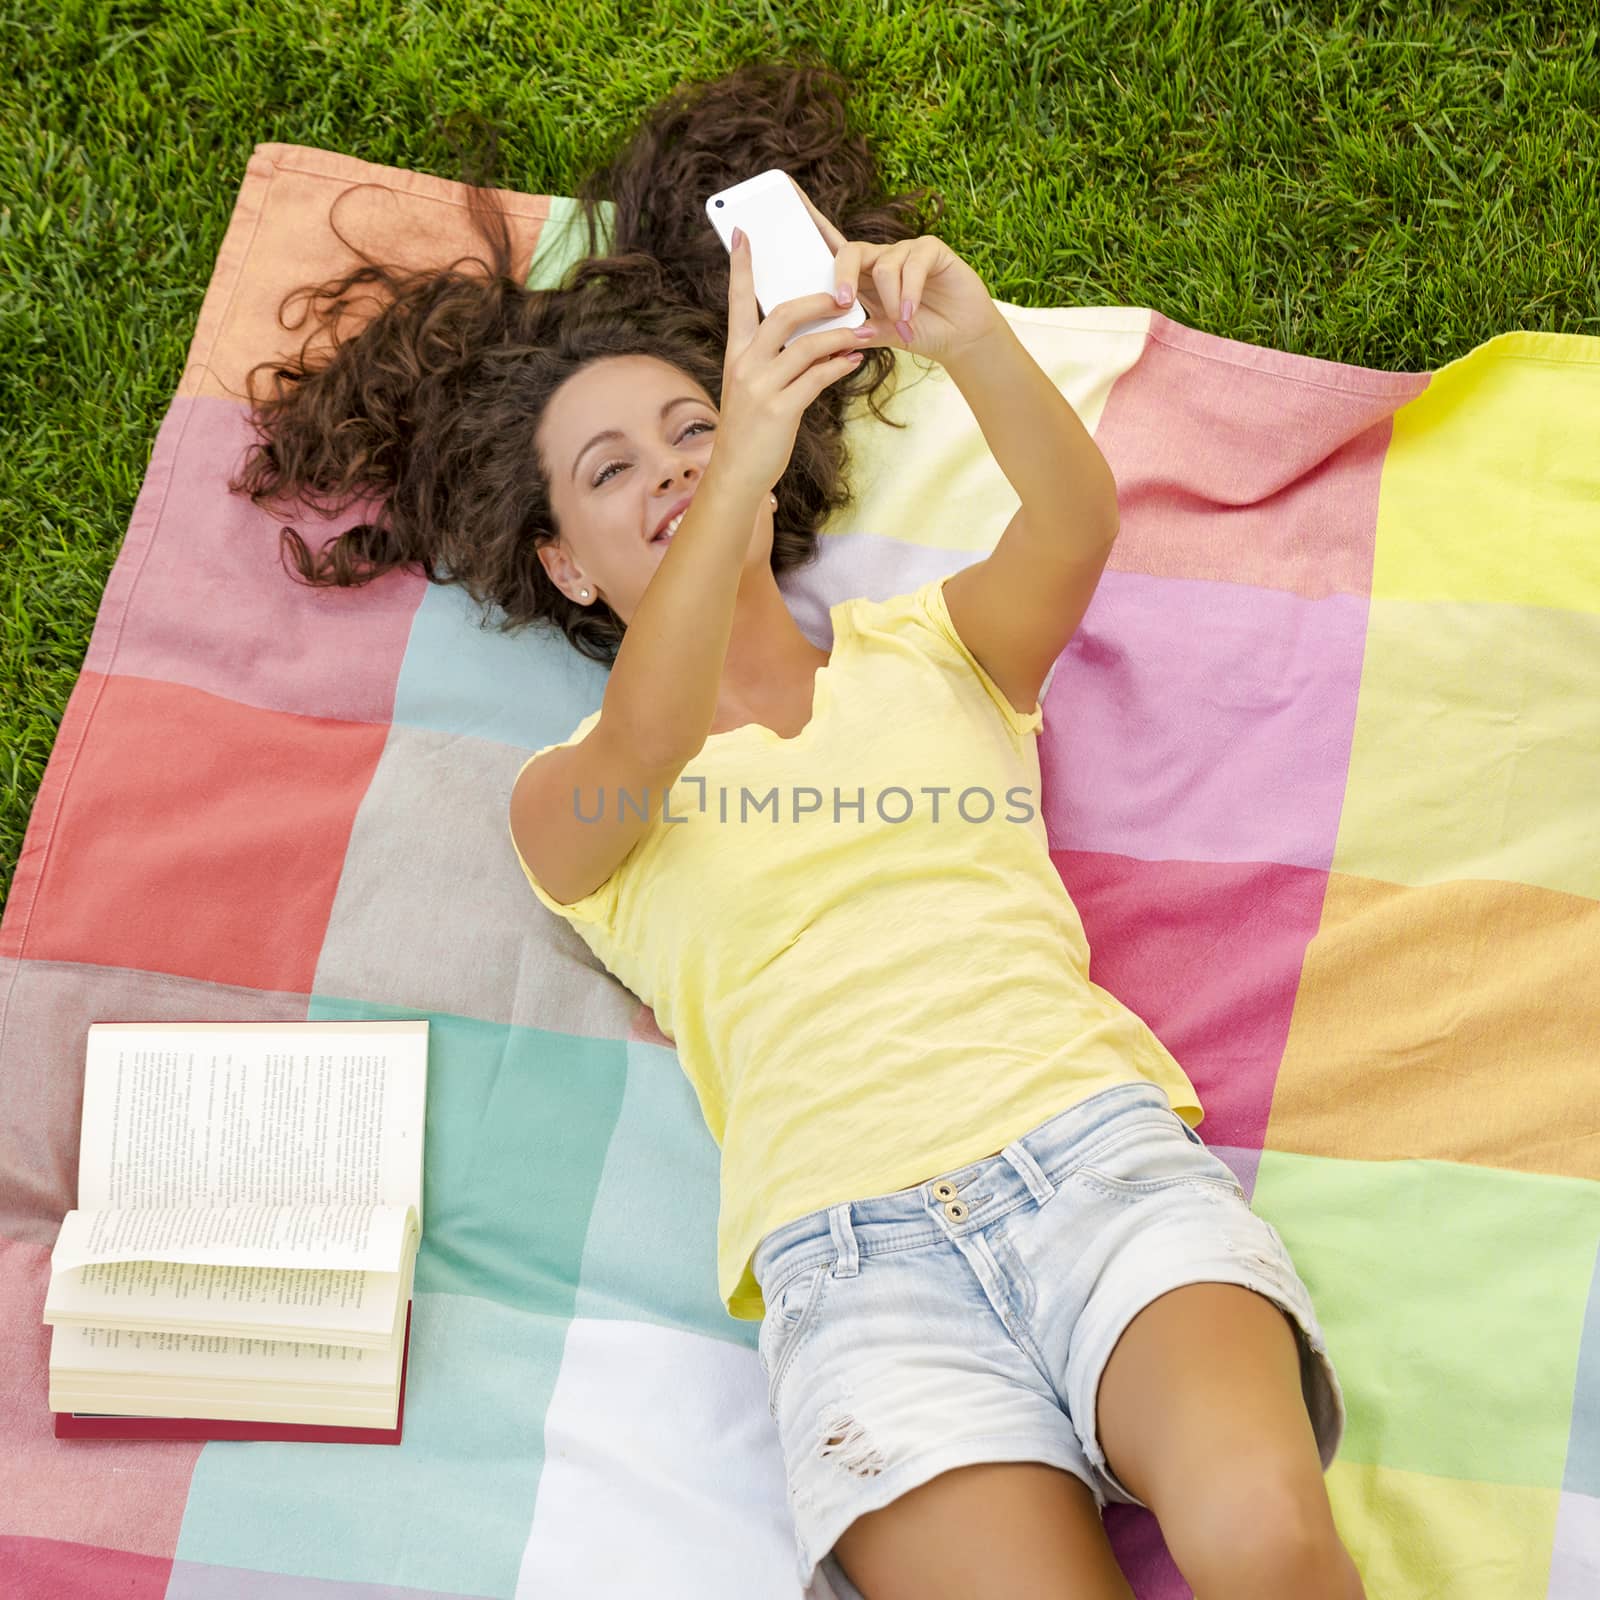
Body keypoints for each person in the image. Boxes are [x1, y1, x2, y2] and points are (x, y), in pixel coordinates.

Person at [232, 60, 1364, 1600]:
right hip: (859, 1275)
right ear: (563, 564)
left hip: (1085, 1156)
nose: (677, 469)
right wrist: (739, 458)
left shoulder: (931, 650)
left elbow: (1076, 522)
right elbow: (650, 728)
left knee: (1270, 1544)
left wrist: (969, 337)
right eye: (613, 469)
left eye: (691, 427)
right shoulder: (571, 792)